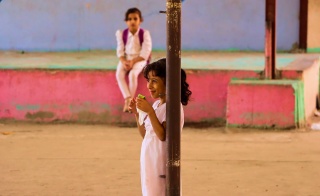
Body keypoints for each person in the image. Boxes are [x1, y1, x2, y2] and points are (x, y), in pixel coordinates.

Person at [128, 58, 192, 195]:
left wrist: (149, 111)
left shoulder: (173, 107)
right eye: (148, 81)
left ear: (168, 83)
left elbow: (162, 135)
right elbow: (146, 135)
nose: (149, 86)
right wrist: (137, 113)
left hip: (160, 163)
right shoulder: (157, 105)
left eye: (154, 81)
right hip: (150, 160)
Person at [115, 7, 152, 112]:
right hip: (126, 59)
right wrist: (124, 61)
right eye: (130, 19)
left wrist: (133, 62)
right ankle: (128, 98)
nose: (132, 21)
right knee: (119, 74)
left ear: (140, 20)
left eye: (135, 19)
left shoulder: (144, 34)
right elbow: (120, 51)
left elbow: (145, 53)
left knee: (132, 75)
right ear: (126, 21)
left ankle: (130, 103)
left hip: (140, 60)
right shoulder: (122, 34)